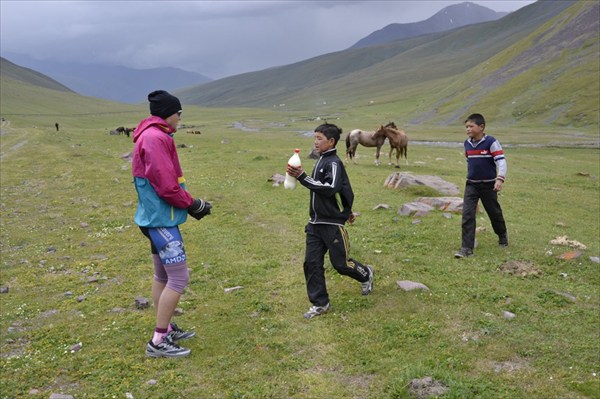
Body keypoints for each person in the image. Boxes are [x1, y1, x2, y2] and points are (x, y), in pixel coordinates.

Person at [132, 90, 212, 357]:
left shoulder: (152, 134)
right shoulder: (155, 138)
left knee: (163, 276)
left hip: (154, 218)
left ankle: (165, 329)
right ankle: (158, 342)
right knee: (179, 277)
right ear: (169, 112)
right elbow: (166, 185)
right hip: (160, 220)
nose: (180, 117)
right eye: (179, 112)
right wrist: (192, 204)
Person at [287, 123, 374, 319]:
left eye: (319, 138)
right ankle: (321, 304)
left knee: (341, 264)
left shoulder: (333, 162)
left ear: (331, 141)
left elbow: (331, 188)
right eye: (315, 138)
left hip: (332, 224)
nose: (315, 142)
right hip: (315, 224)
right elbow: (339, 188)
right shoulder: (321, 160)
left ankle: (366, 274)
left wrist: (302, 177)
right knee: (311, 264)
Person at [454, 113, 508, 258]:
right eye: (466, 127)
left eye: (471, 126)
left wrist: (500, 179)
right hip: (471, 184)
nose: (468, 129)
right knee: (467, 215)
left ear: (481, 127)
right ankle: (466, 248)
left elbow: (501, 161)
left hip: (488, 185)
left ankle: (502, 235)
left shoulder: (491, 142)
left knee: (494, 212)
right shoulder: (467, 143)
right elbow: (469, 160)